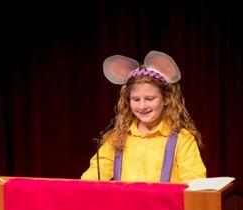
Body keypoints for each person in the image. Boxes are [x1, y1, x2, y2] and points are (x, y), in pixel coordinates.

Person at [81, 50, 206, 184]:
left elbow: (194, 184)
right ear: (128, 100)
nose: (142, 106)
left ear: (167, 99)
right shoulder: (118, 137)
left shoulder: (182, 139)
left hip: (165, 205)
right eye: (136, 99)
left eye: (150, 98)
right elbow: (91, 178)